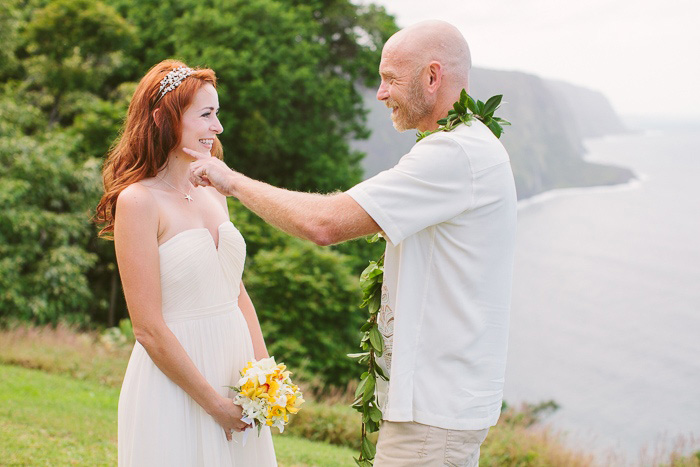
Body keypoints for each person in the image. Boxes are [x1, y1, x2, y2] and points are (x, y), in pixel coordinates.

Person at [185, 19, 517, 467]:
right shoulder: (468, 146)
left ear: (432, 77)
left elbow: (324, 224)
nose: (381, 93)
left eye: (390, 78)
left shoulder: (454, 154)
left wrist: (231, 182)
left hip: (432, 413)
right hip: (441, 405)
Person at [95, 60, 277, 466]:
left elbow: (234, 289)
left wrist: (265, 372)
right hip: (176, 381)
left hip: (233, 366)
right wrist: (213, 403)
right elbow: (148, 329)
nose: (219, 127)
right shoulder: (138, 202)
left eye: (218, 114)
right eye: (206, 115)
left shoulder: (215, 191)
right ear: (165, 118)